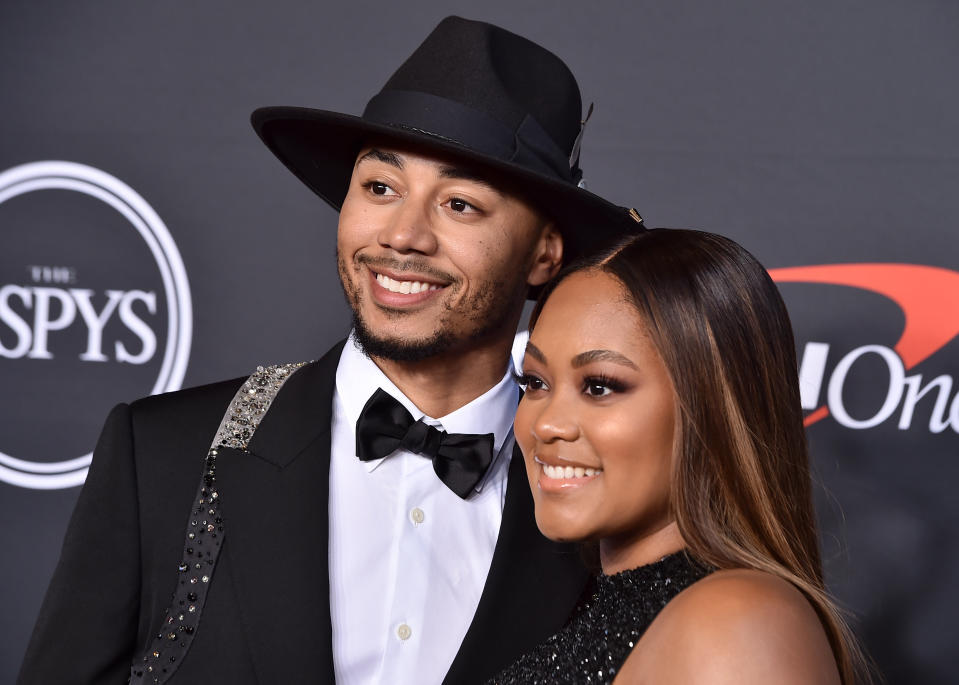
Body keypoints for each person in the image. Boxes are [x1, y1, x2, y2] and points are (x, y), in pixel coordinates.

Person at [17, 16, 643, 685]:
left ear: (544, 252)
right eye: (380, 187)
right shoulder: (163, 453)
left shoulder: (604, 496)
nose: (403, 236)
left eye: (458, 204)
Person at [492, 229, 869, 684]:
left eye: (599, 386)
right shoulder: (601, 603)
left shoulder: (735, 620)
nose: (547, 424)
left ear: (712, 405)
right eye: (535, 383)